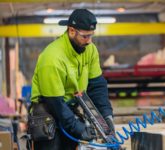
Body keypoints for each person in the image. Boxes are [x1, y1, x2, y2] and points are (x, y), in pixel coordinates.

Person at [29, 9, 114, 150]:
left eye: (91, 36)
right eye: (85, 36)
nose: (89, 41)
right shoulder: (52, 58)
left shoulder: (90, 50)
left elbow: (97, 86)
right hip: (49, 111)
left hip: (70, 108)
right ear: (72, 31)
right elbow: (55, 103)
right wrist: (79, 129)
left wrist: (107, 117)